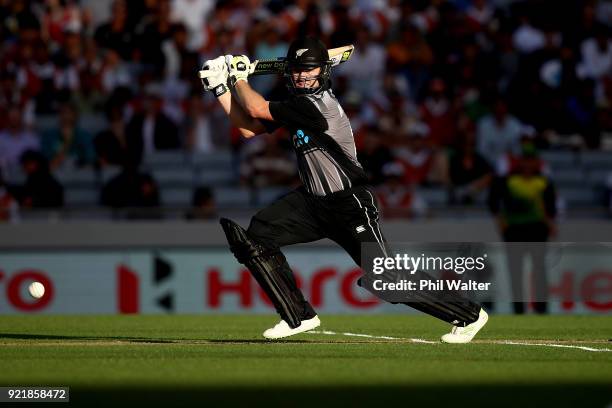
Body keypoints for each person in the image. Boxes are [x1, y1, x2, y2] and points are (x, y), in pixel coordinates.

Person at [200, 37, 488, 342]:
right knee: (258, 234)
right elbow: (249, 129)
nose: (301, 75)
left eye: (308, 69)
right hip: (312, 203)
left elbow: (256, 108)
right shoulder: (297, 105)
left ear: (324, 71)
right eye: (297, 69)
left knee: (386, 278)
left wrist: (239, 77)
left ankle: (468, 314)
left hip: (350, 203)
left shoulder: (318, 106)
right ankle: (298, 316)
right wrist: (221, 88)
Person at [488, 146, 557, 314]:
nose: (527, 164)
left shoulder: (544, 181)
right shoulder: (508, 180)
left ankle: (542, 310)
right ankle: (518, 310)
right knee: (515, 271)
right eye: (524, 160)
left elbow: (551, 206)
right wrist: (500, 221)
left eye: (531, 160)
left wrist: (550, 223)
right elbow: (492, 201)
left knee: (540, 269)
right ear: (520, 161)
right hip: (514, 230)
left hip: (537, 229)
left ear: (536, 162)